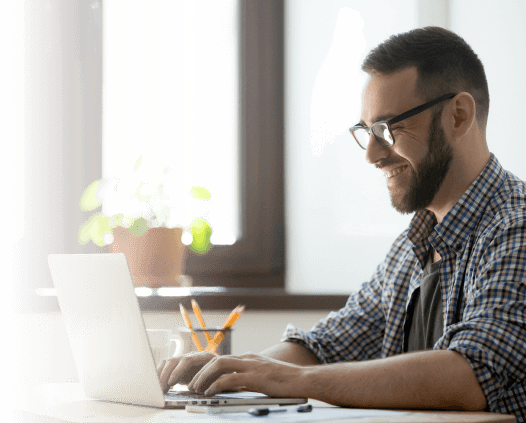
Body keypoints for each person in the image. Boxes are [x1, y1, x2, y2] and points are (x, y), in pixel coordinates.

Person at [158, 27, 526, 422]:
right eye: (367, 132)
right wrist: (237, 372)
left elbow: (471, 375)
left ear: (459, 115)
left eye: (388, 129)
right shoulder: (411, 247)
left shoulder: (515, 229)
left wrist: (289, 380)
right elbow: (326, 346)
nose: (371, 154)